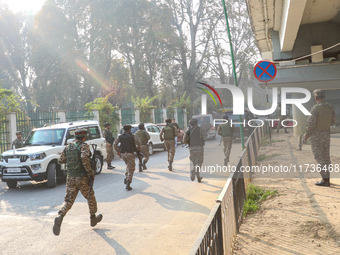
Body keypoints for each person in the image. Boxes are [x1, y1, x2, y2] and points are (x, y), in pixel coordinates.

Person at [53, 128, 102, 236]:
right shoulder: (84, 146)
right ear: (84, 137)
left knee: (68, 200)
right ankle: (93, 218)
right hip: (82, 177)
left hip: (70, 177)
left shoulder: (68, 146)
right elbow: (84, 158)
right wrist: (90, 171)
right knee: (90, 197)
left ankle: (60, 216)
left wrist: (71, 159)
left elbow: (60, 160)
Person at [304, 89, 336, 187]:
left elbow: (311, 124)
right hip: (326, 135)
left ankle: (325, 180)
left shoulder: (315, 108)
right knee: (326, 157)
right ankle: (327, 178)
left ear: (315, 97)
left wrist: (306, 135)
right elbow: (333, 121)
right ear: (324, 97)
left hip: (316, 136)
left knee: (320, 158)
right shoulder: (330, 107)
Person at [114, 125, 141, 191]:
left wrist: (117, 151)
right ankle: (128, 182)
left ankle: (127, 175)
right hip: (130, 153)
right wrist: (138, 147)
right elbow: (139, 142)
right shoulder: (133, 135)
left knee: (128, 165)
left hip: (123, 154)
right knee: (132, 168)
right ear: (129, 129)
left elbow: (115, 144)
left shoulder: (120, 136)